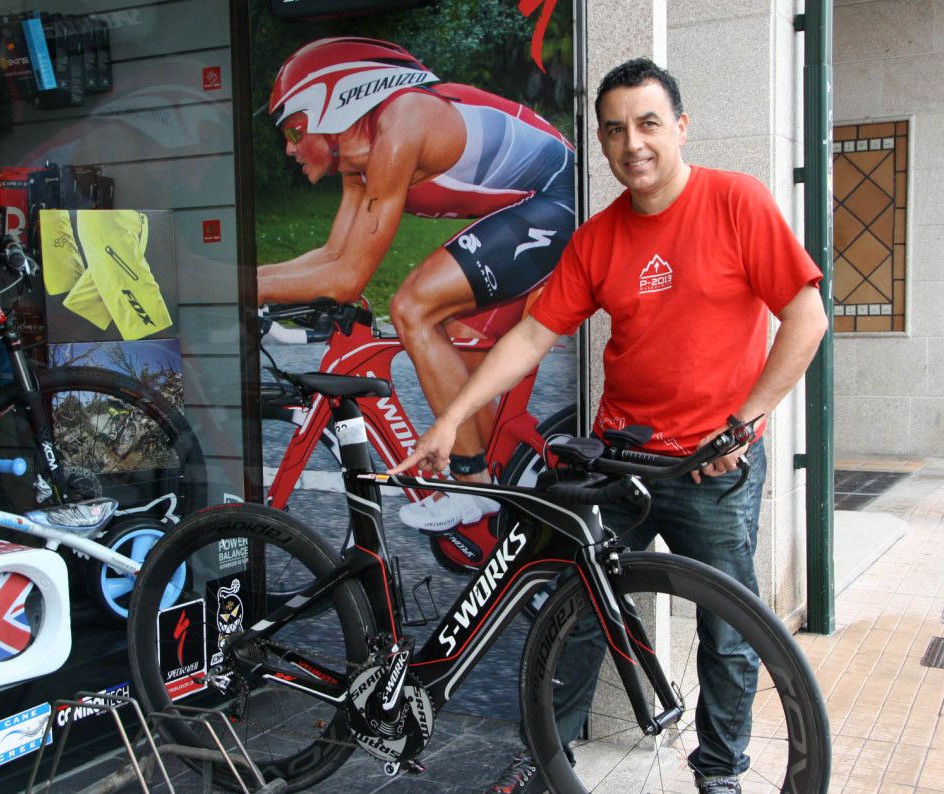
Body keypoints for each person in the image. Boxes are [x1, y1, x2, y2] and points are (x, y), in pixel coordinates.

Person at [392, 58, 827, 794]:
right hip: (617, 464)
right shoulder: (597, 239)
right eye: (616, 130)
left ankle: (719, 773)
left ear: (681, 128)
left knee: (729, 634)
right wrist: (453, 418)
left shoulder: (738, 204)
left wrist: (745, 422)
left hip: (710, 468)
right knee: (578, 617)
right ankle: (547, 754)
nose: (635, 144)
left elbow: (806, 319)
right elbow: (530, 336)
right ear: (601, 141)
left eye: (650, 124)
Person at [258, 36, 576, 533]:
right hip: (526, 207)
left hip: (557, 197)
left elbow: (346, 280)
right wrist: (247, 282)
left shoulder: (400, 123)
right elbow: (333, 255)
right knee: (466, 387)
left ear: (332, 105)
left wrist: (235, 289)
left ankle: (472, 486)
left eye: (296, 128)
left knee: (412, 308)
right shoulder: (358, 156)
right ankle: (520, 509)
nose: (290, 147)